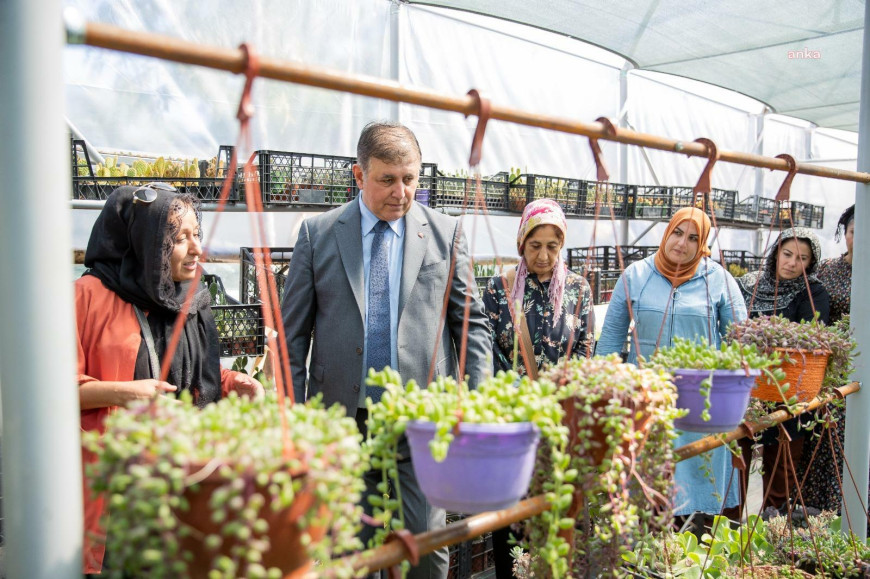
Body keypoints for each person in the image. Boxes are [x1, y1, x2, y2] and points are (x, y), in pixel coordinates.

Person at [280, 121, 492, 578]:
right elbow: (290, 338)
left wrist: (477, 405)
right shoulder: (318, 235)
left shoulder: (445, 233)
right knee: (350, 552)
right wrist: (293, 419)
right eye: (387, 179)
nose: (401, 192)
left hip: (421, 420)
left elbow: (472, 326)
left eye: (410, 178)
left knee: (426, 544)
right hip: (341, 421)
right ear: (359, 176)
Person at [77, 185, 264, 574]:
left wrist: (232, 383)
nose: (197, 249)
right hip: (117, 487)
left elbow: (197, 375)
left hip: (185, 480)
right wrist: (125, 393)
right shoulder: (87, 298)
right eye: (180, 238)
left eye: (197, 234)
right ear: (144, 243)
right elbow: (47, 391)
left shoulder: (190, 297)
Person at [596, 207, 747, 529]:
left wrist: (730, 394)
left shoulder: (718, 279)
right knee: (649, 500)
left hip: (702, 407)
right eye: (678, 233)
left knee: (699, 509)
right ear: (667, 233)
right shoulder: (636, 275)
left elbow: (741, 343)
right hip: (646, 404)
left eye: (694, 237)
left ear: (703, 243)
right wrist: (606, 394)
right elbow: (609, 344)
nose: (682, 243)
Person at [481, 198, 595, 578]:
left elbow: (584, 351)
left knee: (560, 512)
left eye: (552, 245)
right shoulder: (498, 290)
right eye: (535, 245)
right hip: (512, 425)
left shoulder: (579, 289)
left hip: (561, 424)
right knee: (511, 514)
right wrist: (521, 394)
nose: (543, 255)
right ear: (521, 243)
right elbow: (488, 354)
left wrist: (560, 394)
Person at [733, 227, 831, 517]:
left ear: (810, 263)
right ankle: (727, 525)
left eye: (801, 258)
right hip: (744, 388)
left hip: (789, 391)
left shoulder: (813, 291)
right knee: (735, 457)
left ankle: (773, 529)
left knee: (782, 465)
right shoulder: (746, 284)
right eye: (787, 254)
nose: (791, 263)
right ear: (776, 253)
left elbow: (809, 338)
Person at [797, 206, 854, 513]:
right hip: (832, 368)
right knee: (826, 435)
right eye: (853, 231)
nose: (858, 238)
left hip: (864, 366)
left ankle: (856, 515)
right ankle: (822, 513)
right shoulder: (829, 270)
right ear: (844, 234)